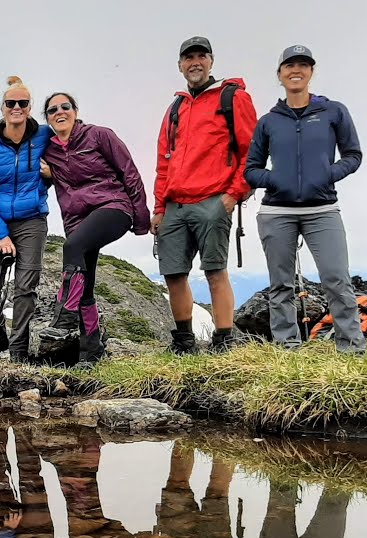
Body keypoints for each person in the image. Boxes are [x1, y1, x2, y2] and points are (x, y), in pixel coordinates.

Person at [245, 45, 366, 354]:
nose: (295, 70)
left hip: (323, 209)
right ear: (280, 74)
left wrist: (328, 173)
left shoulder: (333, 111)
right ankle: (288, 351)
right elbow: (251, 169)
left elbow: (353, 155)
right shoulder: (269, 121)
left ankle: (352, 350)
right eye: (289, 65)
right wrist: (273, 179)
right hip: (276, 212)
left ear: (312, 72)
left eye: (303, 65)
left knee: (336, 278)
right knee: (281, 285)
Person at [151, 36, 257, 354]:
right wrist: (159, 207)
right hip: (175, 205)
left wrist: (234, 194)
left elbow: (251, 151)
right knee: (173, 273)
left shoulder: (232, 97)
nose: (195, 62)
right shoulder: (176, 108)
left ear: (211, 62)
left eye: (201, 56)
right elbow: (163, 161)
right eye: (188, 58)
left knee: (214, 270)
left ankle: (223, 339)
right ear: (180, 65)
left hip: (213, 200)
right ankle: (184, 341)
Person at [37, 92, 151, 368]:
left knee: (72, 247)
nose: (59, 112)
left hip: (113, 207)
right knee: (85, 286)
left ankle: (64, 316)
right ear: (48, 118)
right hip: (77, 222)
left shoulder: (99, 135)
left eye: (65, 107)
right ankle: (91, 353)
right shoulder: (48, 150)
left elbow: (129, 172)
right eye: (52, 110)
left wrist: (142, 217)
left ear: (75, 111)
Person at [0, 76, 53, 363]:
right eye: (10, 103)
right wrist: (0, 234)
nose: (16, 107)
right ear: (3, 108)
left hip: (32, 221)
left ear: (30, 108)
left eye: (23, 103)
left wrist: (52, 176)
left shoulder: (45, 136)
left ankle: (18, 350)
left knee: (25, 287)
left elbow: (68, 160)